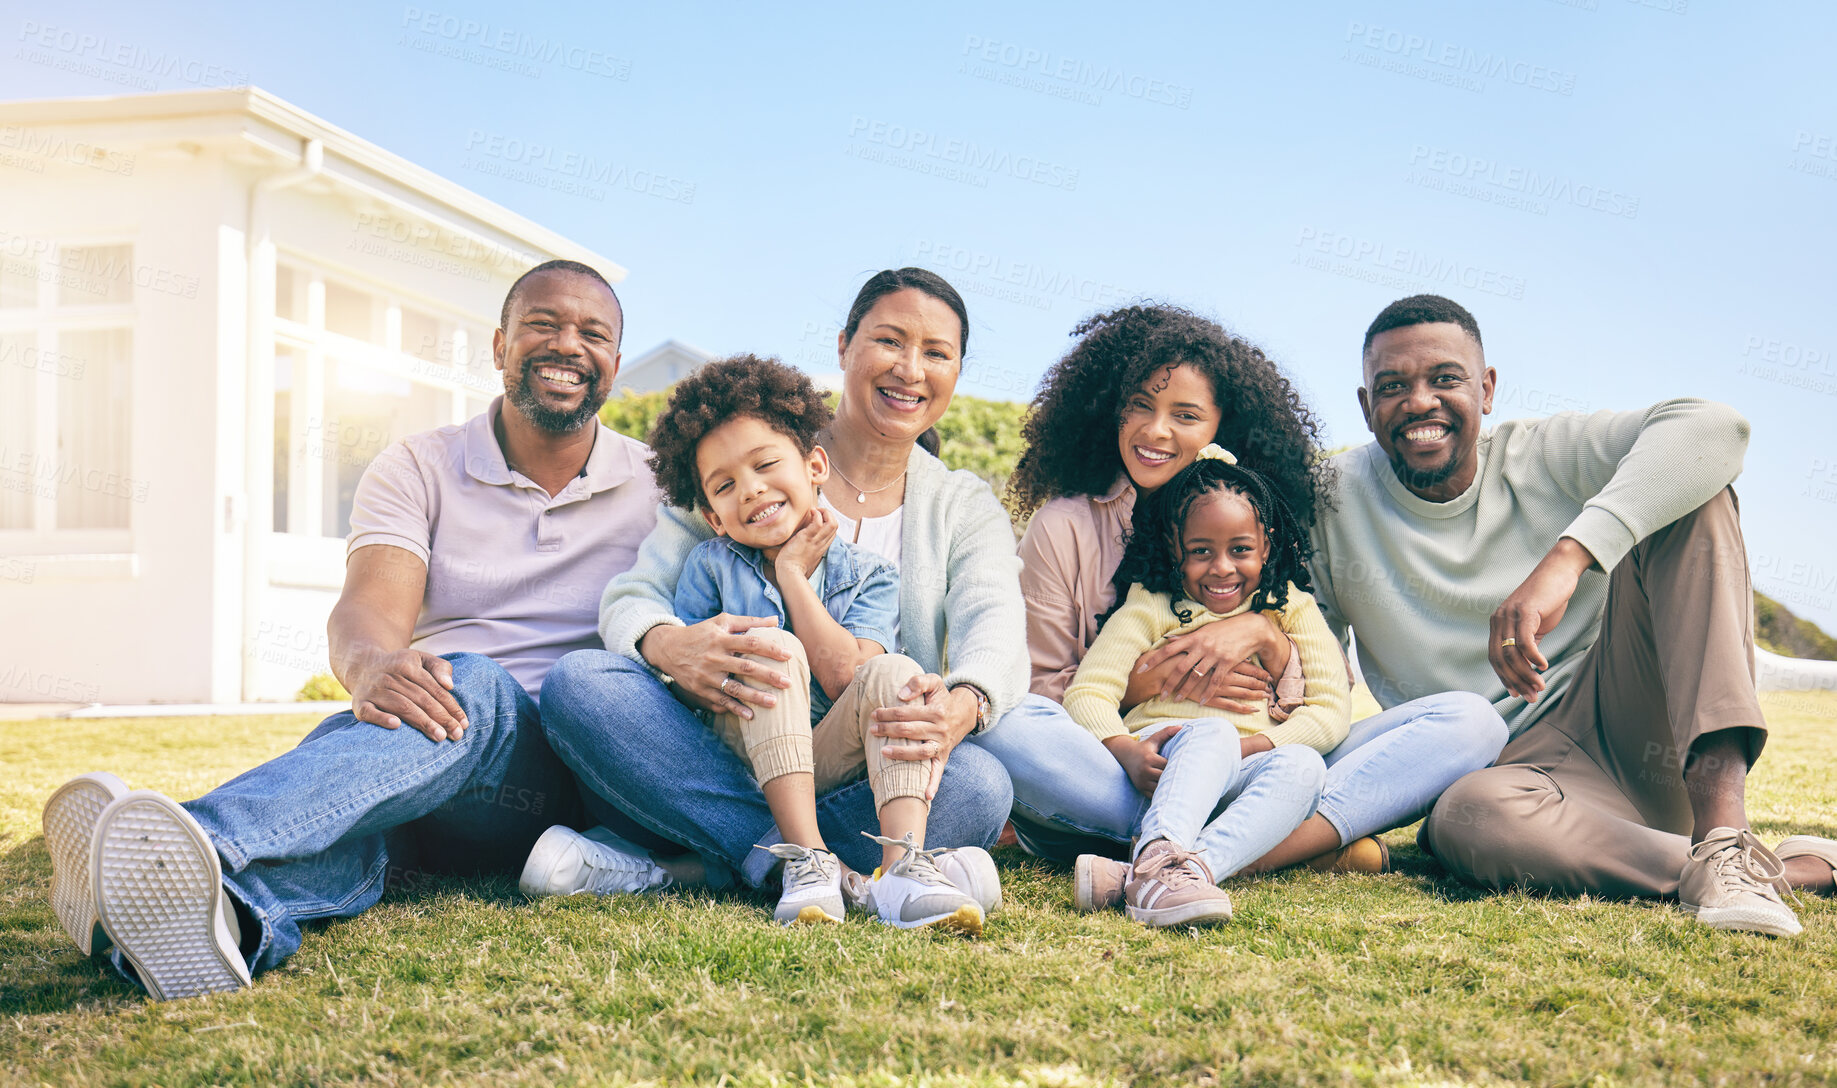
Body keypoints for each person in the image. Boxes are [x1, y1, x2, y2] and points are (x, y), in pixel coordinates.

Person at [38, 260, 681, 1002]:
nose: (567, 344)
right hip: (429, 758)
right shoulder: (419, 465)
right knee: (366, 800)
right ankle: (225, 922)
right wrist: (373, 664)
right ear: (500, 345)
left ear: (614, 367)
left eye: (591, 334)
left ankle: (193, 840)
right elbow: (370, 605)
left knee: (466, 682)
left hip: (565, 771)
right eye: (543, 324)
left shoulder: (662, 485)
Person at [1312, 293, 1837, 935]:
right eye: (1392, 386)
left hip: (1627, 724)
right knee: (1460, 820)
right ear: (1366, 406)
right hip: (1516, 788)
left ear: (1486, 388)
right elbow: (1303, 646)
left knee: (1697, 499)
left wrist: (1570, 556)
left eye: (1445, 379)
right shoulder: (1330, 500)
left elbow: (1717, 428)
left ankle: (1726, 836)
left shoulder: (1546, 454)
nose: (1420, 401)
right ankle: (1759, 867)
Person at [537, 268, 1016, 915]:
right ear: (845, 345)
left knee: (980, 784)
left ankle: (700, 867)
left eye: (935, 352)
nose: (909, 368)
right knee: (581, 684)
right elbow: (633, 599)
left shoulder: (953, 508)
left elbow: (990, 630)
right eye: (889, 341)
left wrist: (955, 707)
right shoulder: (727, 464)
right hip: (713, 756)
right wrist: (673, 645)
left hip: (838, 759)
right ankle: (826, 867)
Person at [980, 304, 1506, 879]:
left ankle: (1190, 856)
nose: (1157, 431)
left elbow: (1328, 698)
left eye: (1185, 414)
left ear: (1220, 429)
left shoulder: (1263, 525)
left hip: (1270, 759)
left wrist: (1263, 638)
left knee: (1471, 721)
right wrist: (1151, 681)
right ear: (1110, 410)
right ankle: (1278, 844)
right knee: (1008, 721)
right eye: (1139, 406)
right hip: (1133, 770)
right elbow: (1042, 689)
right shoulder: (1066, 526)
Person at [638, 352, 985, 933]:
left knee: (895, 672)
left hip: (824, 760)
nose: (750, 489)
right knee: (774, 650)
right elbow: (688, 688)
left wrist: (794, 577)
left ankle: (901, 870)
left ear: (815, 465)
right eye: (725, 486)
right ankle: (808, 859)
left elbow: (847, 678)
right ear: (714, 516)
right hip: (733, 758)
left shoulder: (870, 574)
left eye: (766, 464)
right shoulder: (709, 564)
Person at [1063, 447, 1348, 927]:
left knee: (1303, 766)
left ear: (1267, 544)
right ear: (1175, 548)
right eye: (1201, 551)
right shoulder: (1151, 606)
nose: (1221, 568)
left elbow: (1330, 712)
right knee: (1211, 732)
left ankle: (1157, 870)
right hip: (1163, 771)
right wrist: (1128, 752)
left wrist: (1249, 748)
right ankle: (1164, 860)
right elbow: (1087, 693)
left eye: (1240, 549)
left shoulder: (1289, 606)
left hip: (1244, 777)